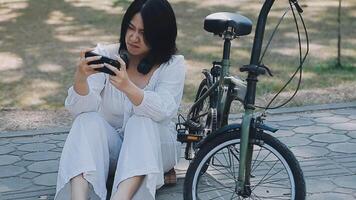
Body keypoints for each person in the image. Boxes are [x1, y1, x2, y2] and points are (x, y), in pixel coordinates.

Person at [54, 0, 185, 199]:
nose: (133, 37)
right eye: (130, 28)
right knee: (86, 121)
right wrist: (81, 79)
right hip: (113, 151)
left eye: (144, 33)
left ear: (160, 36)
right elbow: (82, 110)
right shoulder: (106, 55)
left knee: (141, 120)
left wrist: (128, 88)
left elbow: (164, 110)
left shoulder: (173, 65)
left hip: (154, 150)